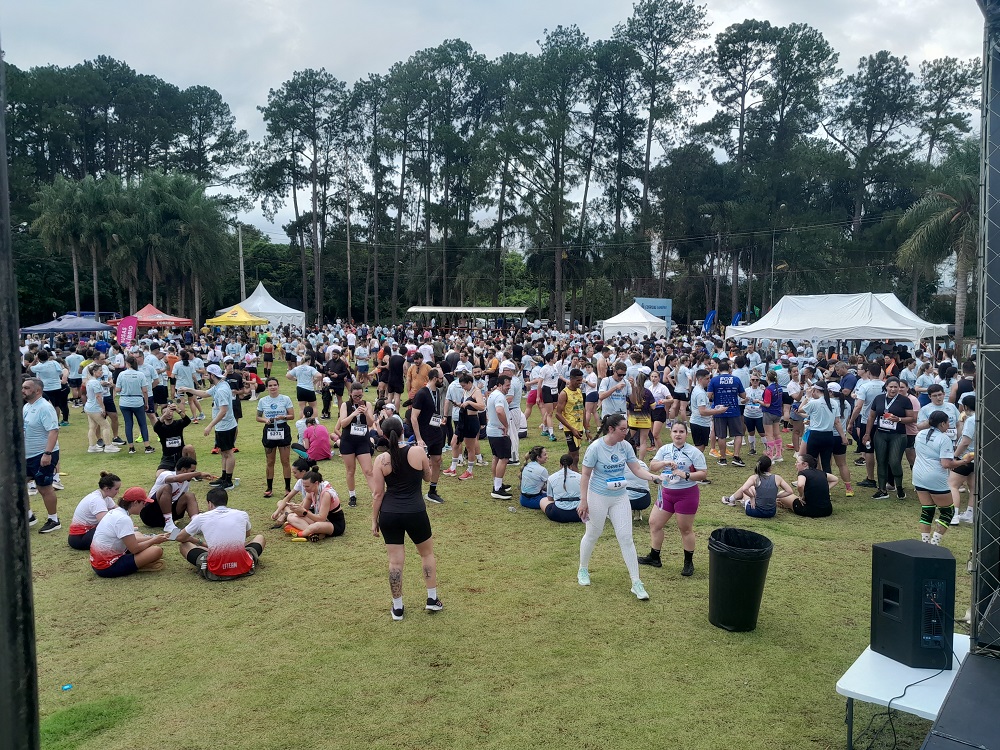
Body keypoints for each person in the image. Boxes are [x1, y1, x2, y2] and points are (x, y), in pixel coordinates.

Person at [578, 413, 664, 599]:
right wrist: (583, 501)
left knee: (626, 538)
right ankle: (583, 569)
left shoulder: (625, 447)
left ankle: (636, 582)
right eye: (622, 429)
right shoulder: (595, 448)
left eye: (626, 429)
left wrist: (654, 477)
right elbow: (585, 475)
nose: (626, 432)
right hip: (598, 496)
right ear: (611, 429)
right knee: (593, 534)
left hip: (619, 497)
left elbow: (637, 469)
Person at [370, 416, 443, 620]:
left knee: (395, 563)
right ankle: (431, 599)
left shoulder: (381, 460)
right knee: (426, 554)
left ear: (383, 434)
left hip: (390, 514)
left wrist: (374, 520)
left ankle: (398, 608)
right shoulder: (417, 451)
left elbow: (377, 494)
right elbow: (428, 477)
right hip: (415, 511)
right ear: (403, 430)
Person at [639, 422, 708, 576]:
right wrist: (663, 462)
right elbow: (652, 466)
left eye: (681, 431)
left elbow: (703, 473)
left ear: (686, 434)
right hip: (667, 493)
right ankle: (654, 557)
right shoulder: (665, 449)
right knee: (654, 523)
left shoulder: (694, 452)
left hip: (686, 494)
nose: (678, 434)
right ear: (670, 434)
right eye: (675, 431)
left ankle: (688, 563)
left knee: (685, 529)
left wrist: (687, 475)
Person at [175, 487, 266, 580]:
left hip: (216, 571)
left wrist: (173, 532)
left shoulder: (201, 518)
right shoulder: (242, 514)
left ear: (210, 504)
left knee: (184, 546)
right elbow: (247, 534)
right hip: (243, 567)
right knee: (260, 537)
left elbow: (179, 538)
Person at [913, 411, 971, 545]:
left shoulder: (920, 434)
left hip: (918, 475)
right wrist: (964, 461)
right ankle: (935, 543)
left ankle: (925, 543)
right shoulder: (944, 439)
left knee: (927, 509)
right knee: (947, 512)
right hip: (935, 478)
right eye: (948, 422)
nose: (949, 425)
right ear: (942, 423)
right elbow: (946, 464)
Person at [181, 364, 239, 490]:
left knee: (228, 452)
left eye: (207, 374)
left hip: (226, 426)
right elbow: (204, 393)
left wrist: (210, 425)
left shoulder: (222, 390)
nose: (206, 376)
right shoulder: (218, 386)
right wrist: (189, 389)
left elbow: (223, 411)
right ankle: (224, 477)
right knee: (223, 452)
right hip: (222, 426)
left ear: (212, 375)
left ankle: (228, 481)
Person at [89, 486, 170, 577]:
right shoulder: (124, 519)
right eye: (143, 503)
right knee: (157, 551)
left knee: (138, 534)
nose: (144, 506)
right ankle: (140, 565)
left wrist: (154, 537)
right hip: (108, 566)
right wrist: (154, 541)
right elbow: (134, 549)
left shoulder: (116, 512)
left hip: (98, 563)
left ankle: (138, 562)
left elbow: (131, 539)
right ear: (135, 502)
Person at [862, 377, 915, 500]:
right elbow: (871, 416)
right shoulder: (879, 398)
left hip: (898, 435)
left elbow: (912, 418)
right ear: (886, 386)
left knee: (895, 461)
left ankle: (900, 488)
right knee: (881, 461)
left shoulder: (905, 400)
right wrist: (867, 433)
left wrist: (899, 419)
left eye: (896, 387)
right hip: (880, 434)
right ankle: (882, 490)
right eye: (890, 386)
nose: (893, 389)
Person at [22, 378, 62, 533]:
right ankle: (29, 515)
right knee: (18, 486)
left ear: (37, 391)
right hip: (27, 455)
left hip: (42, 454)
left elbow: (54, 431)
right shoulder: (26, 406)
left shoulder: (45, 407)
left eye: (26, 388)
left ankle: (54, 519)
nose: (23, 390)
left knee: (44, 488)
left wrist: (47, 453)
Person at [139, 456, 213, 534]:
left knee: (189, 495)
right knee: (166, 487)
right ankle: (168, 523)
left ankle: (196, 524)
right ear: (184, 470)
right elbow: (175, 479)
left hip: (167, 514)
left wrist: (195, 512)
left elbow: (185, 501)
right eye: (192, 471)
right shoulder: (165, 474)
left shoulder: (186, 482)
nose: (193, 474)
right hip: (149, 514)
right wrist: (199, 474)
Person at [410, 368, 446, 504]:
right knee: (418, 465)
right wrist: (418, 438)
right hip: (424, 435)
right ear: (435, 378)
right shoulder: (422, 394)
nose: (443, 381)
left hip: (436, 432)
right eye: (441, 378)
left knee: (437, 460)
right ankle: (414, 493)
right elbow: (414, 418)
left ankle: (432, 491)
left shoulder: (437, 392)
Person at [338, 382, 376, 507]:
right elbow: (343, 424)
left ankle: (376, 494)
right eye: (355, 396)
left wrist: (365, 413)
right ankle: (352, 495)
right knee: (350, 470)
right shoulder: (345, 405)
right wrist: (354, 414)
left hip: (362, 441)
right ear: (350, 394)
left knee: (368, 471)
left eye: (360, 396)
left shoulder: (368, 404)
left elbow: (370, 423)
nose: (358, 399)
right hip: (348, 441)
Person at [256, 376, 295, 499]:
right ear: (267, 388)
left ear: (278, 386)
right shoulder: (263, 401)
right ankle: (269, 488)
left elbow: (292, 415)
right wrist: (265, 420)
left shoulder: (285, 399)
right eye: (270, 385)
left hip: (283, 429)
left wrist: (283, 417)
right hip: (269, 430)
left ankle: (287, 488)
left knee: (285, 460)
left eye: (275, 385)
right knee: (270, 461)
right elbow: (258, 417)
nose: (273, 387)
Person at [800, 381, 849, 476]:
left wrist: (807, 397)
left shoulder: (814, 402)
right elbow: (837, 422)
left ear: (815, 390)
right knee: (826, 464)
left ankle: (813, 484)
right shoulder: (834, 403)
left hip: (815, 435)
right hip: (828, 435)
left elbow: (800, 409)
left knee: (812, 462)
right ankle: (827, 487)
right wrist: (843, 437)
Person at [721, 456, 794, 519]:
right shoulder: (777, 478)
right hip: (771, 513)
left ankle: (731, 499)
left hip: (754, 511)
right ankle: (735, 500)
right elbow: (790, 491)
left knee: (749, 488)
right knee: (753, 488)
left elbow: (744, 489)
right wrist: (775, 496)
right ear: (770, 467)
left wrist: (752, 497)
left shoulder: (755, 478)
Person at [283, 470, 346, 541]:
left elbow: (321, 518)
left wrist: (305, 511)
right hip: (321, 521)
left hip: (334, 524)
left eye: (307, 486)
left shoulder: (326, 494)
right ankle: (314, 534)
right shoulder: (310, 492)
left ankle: (300, 533)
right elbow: (301, 514)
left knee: (316, 526)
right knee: (291, 516)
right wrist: (295, 509)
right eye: (304, 486)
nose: (305, 488)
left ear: (316, 483)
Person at [68, 472, 121, 550]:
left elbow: (119, 511)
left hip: (87, 532)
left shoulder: (106, 497)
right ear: (107, 488)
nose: (118, 492)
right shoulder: (97, 500)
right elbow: (105, 523)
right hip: (79, 538)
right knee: (113, 531)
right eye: (116, 489)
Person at [707, 360, 745, 467]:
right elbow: (743, 395)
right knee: (738, 434)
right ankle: (736, 456)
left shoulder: (714, 380)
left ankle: (723, 458)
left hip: (719, 411)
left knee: (721, 435)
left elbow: (708, 396)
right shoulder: (736, 379)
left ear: (718, 369)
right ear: (729, 369)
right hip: (734, 410)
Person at [115, 355, 153, 455]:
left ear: (127, 363)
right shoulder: (140, 374)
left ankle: (131, 447)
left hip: (124, 401)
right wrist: (146, 402)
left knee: (128, 424)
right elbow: (145, 391)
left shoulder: (122, 374)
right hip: (137, 401)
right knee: (142, 424)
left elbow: (117, 389)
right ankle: (147, 446)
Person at [486, 374, 514, 500]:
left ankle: (497, 483)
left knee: (496, 457)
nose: (509, 388)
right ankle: (497, 489)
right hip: (499, 432)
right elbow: (499, 411)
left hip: (492, 430)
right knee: (504, 459)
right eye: (507, 385)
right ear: (500, 384)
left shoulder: (493, 394)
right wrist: (506, 425)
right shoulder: (498, 396)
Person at [950, 394, 976, 524]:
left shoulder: (971, 420)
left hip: (966, 456)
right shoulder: (982, 417)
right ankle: (970, 513)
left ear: (965, 407)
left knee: (952, 485)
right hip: (977, 458)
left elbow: (965, 441)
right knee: (972, 486)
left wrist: (955, 456)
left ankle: (953, 515)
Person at [83, 362, 120, 454]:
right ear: (94, 372)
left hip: (89, 407)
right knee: (106, 426)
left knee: (92, 427)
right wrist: (103, 408)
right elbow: (98, 396)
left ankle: (92, 446)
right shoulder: (95, 383)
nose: (102, 372)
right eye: (100, 370)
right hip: (95, 408)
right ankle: (108, 446)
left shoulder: (90, 381)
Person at [152, 401, 196, 473]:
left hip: (181, 455)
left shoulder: (178, 424)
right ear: (162, 414)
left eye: (170, 412)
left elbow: (187, 420)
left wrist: (178, 410)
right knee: (159, 475)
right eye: (165, 412)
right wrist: (164, 416)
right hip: (168, 457)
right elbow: (156, 427)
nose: (168, 414)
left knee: (189, 447)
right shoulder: (161, 427)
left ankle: (193, 471)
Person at [554, 368, 585, 470]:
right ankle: (576, 479)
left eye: (581, 380)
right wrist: (572, 429)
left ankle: (564, 471)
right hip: (570, 429)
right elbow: (558, 414)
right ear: (571, 379)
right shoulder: (564, 393)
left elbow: (582, 409)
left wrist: (587, 428)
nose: (580, 383)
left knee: (572, 453)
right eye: (578, 380)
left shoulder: (579, 391)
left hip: (579, 427)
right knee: (575, 457)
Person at [540, 454, 582, 522]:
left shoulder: (551, 478)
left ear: (560, 465)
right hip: (578, 513)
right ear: (571, 466)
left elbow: (550, 499)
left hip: (558, 514)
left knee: (543, 500)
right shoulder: (580, 477)